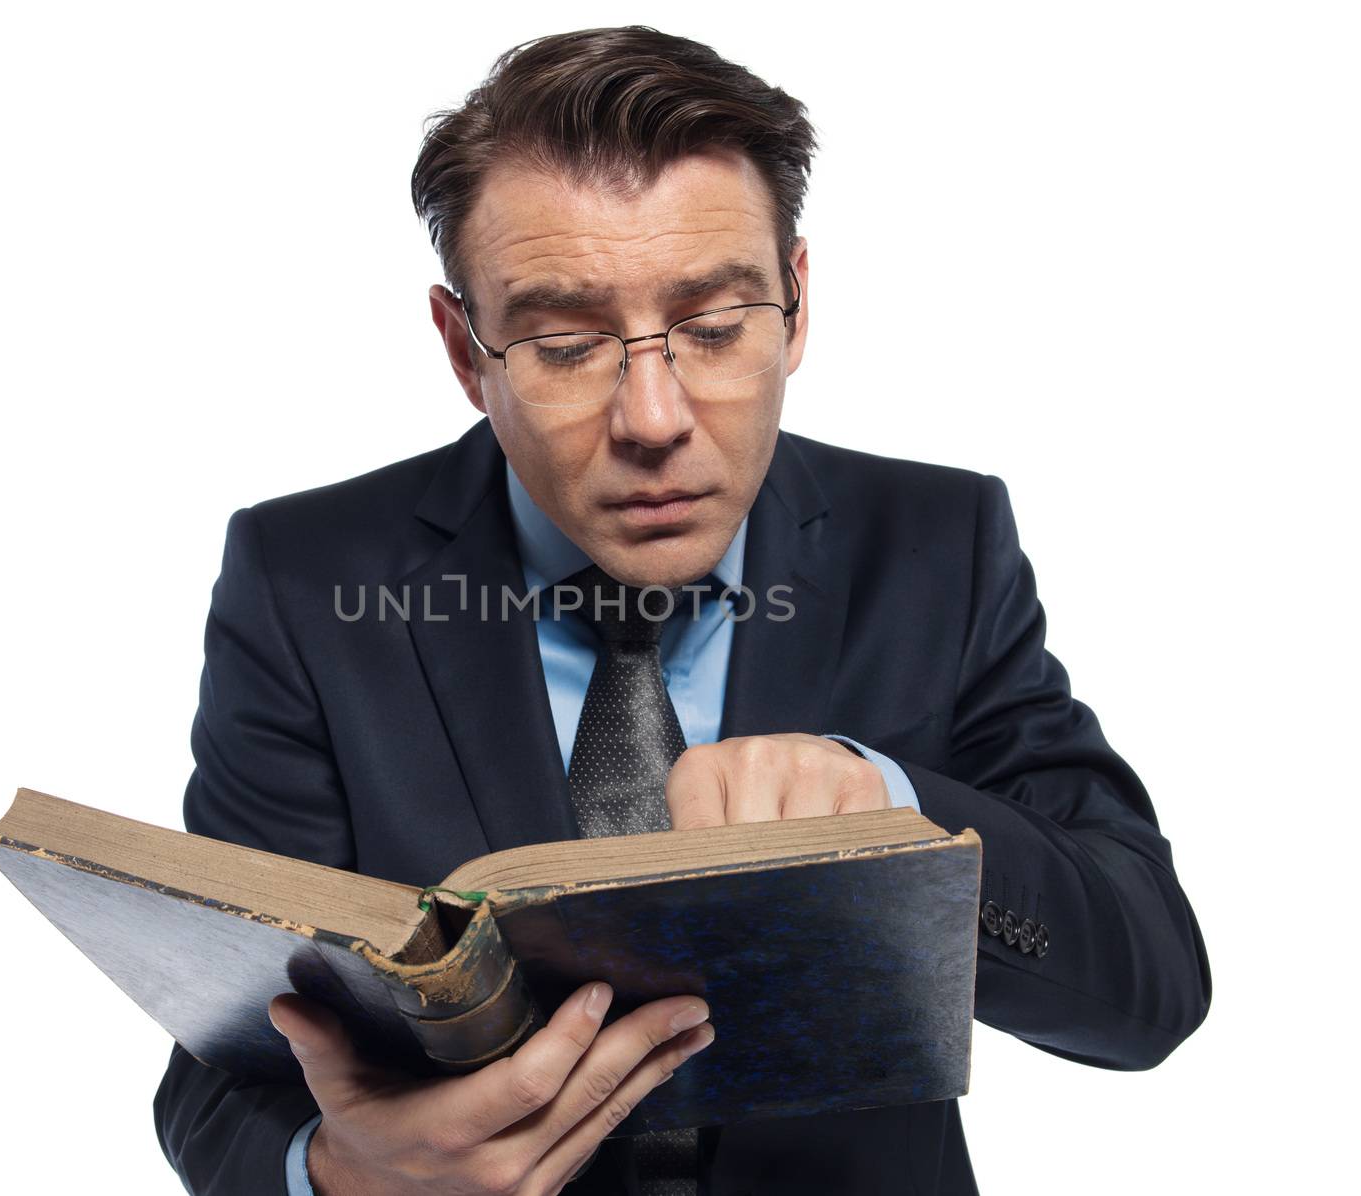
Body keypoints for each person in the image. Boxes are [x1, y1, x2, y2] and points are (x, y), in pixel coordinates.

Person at [153, 25, 1211, 1196]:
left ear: (796, 306)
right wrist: (341, 1172)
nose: (652, 416)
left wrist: (895, 815)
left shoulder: (935, 543)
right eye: (563, 345)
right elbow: (218, 1077)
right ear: (466, 351)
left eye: (713, 329)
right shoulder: (301, 577)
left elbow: (1147, 988)